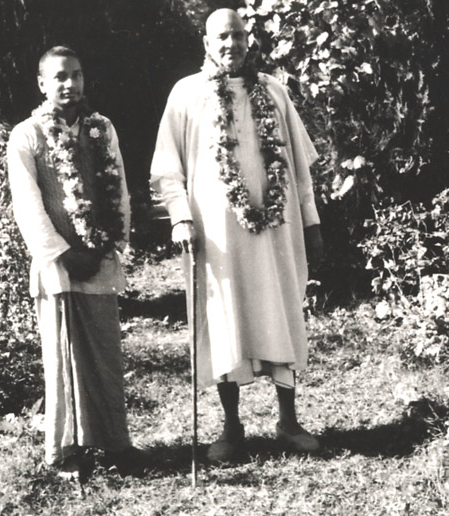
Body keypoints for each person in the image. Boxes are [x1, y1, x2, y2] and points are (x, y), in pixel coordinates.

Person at [150, 9, 324, 463]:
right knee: (225, 317)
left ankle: (288, 421)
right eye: (222, 36)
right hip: (217, 235)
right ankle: (232, 426)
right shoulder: (186, 94)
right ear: (206, 41)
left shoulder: (273, 90)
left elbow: (300, 169)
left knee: (281, 308)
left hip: (275, 230)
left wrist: (311, 219)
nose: (232, 44)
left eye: (239, 35)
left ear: (250, 39)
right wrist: (180, 216)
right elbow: (167, 169)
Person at [7, 46, 144, 477]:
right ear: (42, 84)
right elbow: (28, 205)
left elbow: (118, 188)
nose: (71, 84)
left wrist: (106, 245)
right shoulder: (26, 134)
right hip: (58, 265)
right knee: (63, 358)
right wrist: (65, 253)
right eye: (61, 77)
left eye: (77, 75)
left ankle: (116, 444)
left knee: (105, 354)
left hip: (98, 258)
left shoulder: (103, 129)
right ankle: (66, 453)